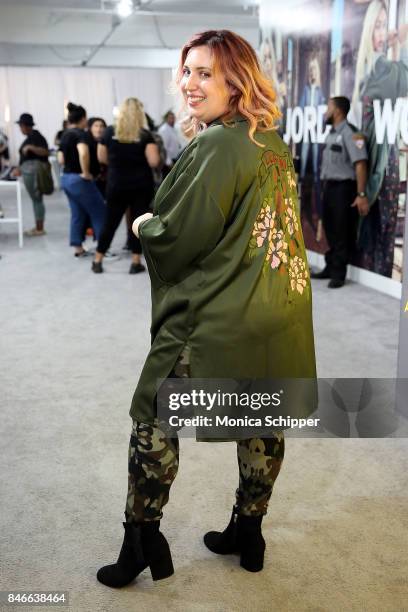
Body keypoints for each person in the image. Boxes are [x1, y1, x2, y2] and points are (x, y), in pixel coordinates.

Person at [96, 30, 316, 589]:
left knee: (153, 417)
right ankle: (249, 530)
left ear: (235, 82)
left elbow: (184, 236)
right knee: (262, 420)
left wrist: (146, 225)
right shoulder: (269, 139)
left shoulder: (218, 144)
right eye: (188, 71)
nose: (191, 84)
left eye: (207, 74)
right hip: (278, 312)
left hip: (220, 316)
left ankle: (140, 540)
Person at [352, 0, 408, 277]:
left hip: (379, 164)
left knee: (377, 237)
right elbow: (405, 79)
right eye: (378, 26)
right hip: (382, 166)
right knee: (381, 238)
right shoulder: (377, 66)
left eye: (385, 26)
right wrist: (405, 44)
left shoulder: (370, 67)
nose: (382, 33)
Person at [91, 98, 160, 274]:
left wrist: (116, 163)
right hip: (140, 185)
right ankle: (135, 261)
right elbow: (154, 161)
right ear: (139, 114)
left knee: (110, 222)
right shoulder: (144, 135)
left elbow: (101, 158)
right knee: (138, 223)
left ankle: (98, 259)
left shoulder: (109, 132)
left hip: (116, 183)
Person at [312, 96, 369, 288]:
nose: (325, 112)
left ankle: (339, 273)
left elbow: (361, 165)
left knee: (342, 229)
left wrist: (361, 195)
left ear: (337, 111)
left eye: (328, 107)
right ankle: (331, 266)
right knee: (330, 228)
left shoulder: (352, 134)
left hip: (344, 189)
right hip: (329, 187)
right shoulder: (331, 133)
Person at [58, 103, 106, 257]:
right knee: (100, 212)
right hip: (79, 179)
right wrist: (85, 172)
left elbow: (60, 159)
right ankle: (102, 249)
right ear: (83, 118)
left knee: (77, 214)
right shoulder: (81, 134)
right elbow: (83, 152)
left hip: (66, 178)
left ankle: (78, 248)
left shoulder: (65, 134)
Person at [13, 113, 49, 236]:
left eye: (21, 126)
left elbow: (45, 152)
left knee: (37, 199)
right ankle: (38, 226)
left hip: (33, 172)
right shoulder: (31, 137)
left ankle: (40, 228)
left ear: (26, 126)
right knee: (36, 199)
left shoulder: (36, 137)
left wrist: (31, 148)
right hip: (28, 171)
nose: (20, 129)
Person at [87, 117, 107, 197]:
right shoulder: (85, 143)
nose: (99, 129)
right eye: (96, 126)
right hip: (91, 180)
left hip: (107, 180)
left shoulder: (108, 142)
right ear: (90, 128)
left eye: (102, 126)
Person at [158, 110, 183, 175]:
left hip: (174, 160)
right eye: (170, 118)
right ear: (166, 119)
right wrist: (169, 163)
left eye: (173, 118)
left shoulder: (172, 128)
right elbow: (163, 148)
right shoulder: (164, 130)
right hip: (167, 163)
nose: (173, 120)